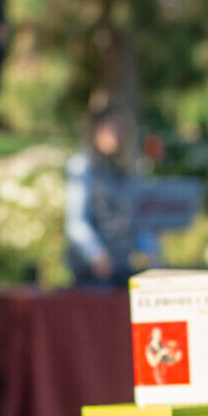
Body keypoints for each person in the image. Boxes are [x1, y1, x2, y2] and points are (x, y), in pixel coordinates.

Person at [64, 106, 157, 286]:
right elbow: (76, 223)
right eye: (108, 128)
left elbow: (134, 221)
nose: (114, 135)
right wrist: (95, 253)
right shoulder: (82, 167)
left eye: (118, 129)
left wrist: (149, 248)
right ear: (95, 132)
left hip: (121, 266)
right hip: (91, 272)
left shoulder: (125, 171)